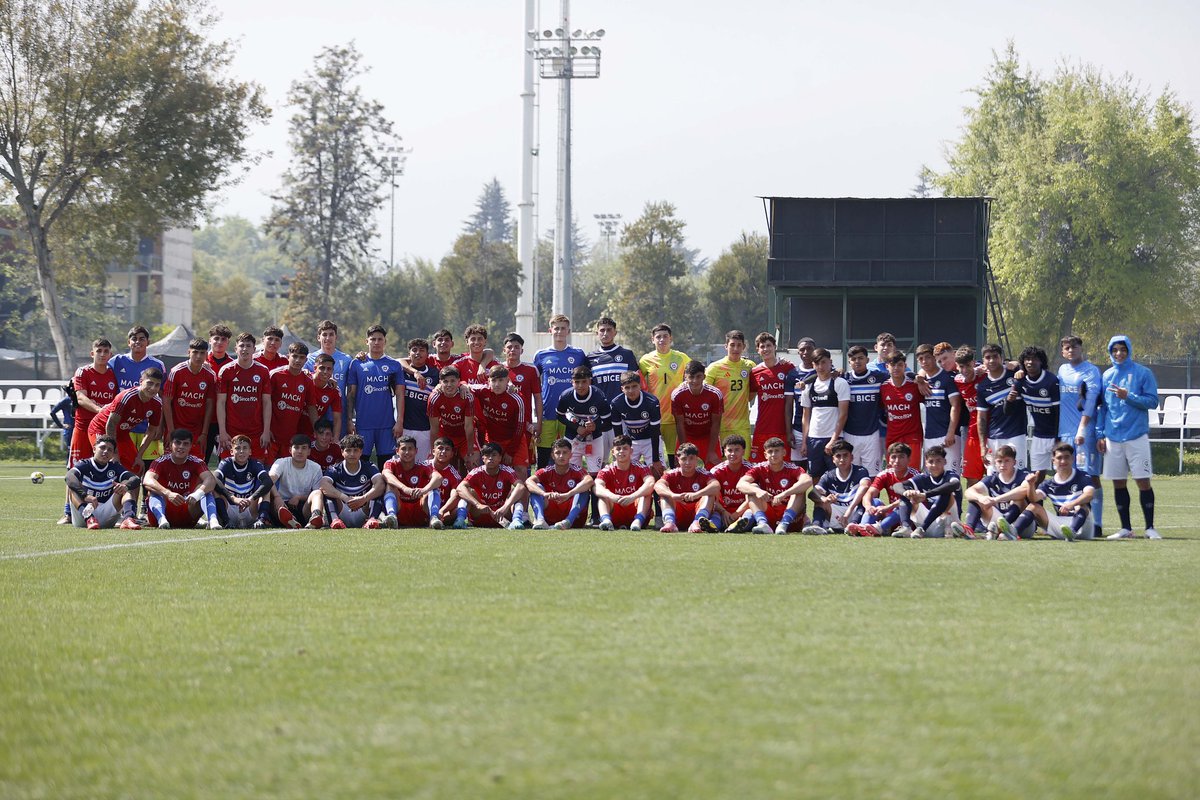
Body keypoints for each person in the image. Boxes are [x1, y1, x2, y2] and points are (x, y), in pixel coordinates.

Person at [1096, 335, 1160, 539]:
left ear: (1129, 350)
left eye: (1122, 349)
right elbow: (1103, 408)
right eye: (1114, 350)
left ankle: (1150, 527)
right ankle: (1126, 528)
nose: (1119, 353)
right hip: (1113, 437)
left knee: (1143, 481)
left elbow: (1152, 402)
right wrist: (1100, 434)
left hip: (1137, 435)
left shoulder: (1143, 372)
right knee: (1118, 482)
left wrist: (1128, 396)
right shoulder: (1106, 375)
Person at [1057, 335, 1105, 535]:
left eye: (1074, 347)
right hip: (1065, 433)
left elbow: (1092, 401)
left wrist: (1082, 428)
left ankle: (1097, 524)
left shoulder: (1091, 371)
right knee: (1069, 476)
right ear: (1062, 351)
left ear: (1081, 348)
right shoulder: (1061, 370)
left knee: (1090, 477)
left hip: (1085, 434)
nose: (1071, 350)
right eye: (1067, 348)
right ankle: (1074, 521)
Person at [1008, 443, 1096, 541]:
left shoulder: (1082, 476)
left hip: (1083, 527)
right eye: (1059, 458)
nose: (1063, 461)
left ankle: (1072, 531)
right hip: (1062, 527)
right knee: (1033, 507)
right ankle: (1012, 532)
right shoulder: (1049, 483)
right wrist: (1031, 485)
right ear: (1053, 461)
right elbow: (1034, 498)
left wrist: (1071, 504)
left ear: (1072, 459)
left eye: (1066, 457)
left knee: (1081, 505)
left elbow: (1089, 494)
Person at [109, 325, 166, 476]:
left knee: (148, 468)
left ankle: (146, 500)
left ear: (148, 342)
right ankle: (123, 499)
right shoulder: (116, 361)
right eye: (134, 339)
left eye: (142, 339)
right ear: (128, 342)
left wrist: (160, 426)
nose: (138, 342)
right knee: (124, 469)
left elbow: (162, 396)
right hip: (122, 427)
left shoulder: (157, 365)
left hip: (146, 426)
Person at [345, 324, 405, 467]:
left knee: (387, 465)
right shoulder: (357, 364)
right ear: (367, 341)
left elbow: (400, 395)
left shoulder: (394, 365)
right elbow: (351, 395)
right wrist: (349, 420)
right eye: (373, 339)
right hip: (363, 425)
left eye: (380, 339)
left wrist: (399, 422)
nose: (376, 342)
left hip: (386, 425)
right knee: (360, 464)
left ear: (385, 341)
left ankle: (387, 490)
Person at [86, 368, 164, 477]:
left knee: (136, 467)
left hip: (122, 433)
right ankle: (93, 490)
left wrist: (139, 455)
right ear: (141, 382)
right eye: (149, 383)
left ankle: (130, 494)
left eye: (157, 385)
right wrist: (114, 453)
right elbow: (111, 424)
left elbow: (151, 431)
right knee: (106, 460)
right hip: (101, 428)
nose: (153, 388)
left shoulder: (157, 403)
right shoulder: (126, 396)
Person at [533, 314, 588, 468]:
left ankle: (570, 488)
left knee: (569, 456)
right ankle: (541, 491)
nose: (559, 331)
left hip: (572, 414)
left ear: (568, 331)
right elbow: (534, 384)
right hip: (548, 412)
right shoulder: (541, 355)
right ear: (550, 330)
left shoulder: (578, 354)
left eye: (563, 328)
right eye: (556, 328)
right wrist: (535, 413)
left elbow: (587, 380)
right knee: (544, 457)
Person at [142, 429, 219, 530]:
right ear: (170, 445)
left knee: (206, 492)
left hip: (187, 510)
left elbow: (211, 480)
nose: (181, 447)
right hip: (165, 509)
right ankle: (161, 519)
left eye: (185, 444)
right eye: (177, 443)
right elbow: (147, 480)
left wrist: (197, 494)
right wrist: (167, 493)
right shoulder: (160, 462)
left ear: (191, 446)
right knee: (153, 491)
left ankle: (213, 521)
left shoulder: (197, 462)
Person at [638, 323, 691, 466]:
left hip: (675, 416)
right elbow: (639, 385)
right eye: (658, 337)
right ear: (652, 340)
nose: (662, 339)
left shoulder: (682, 358)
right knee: (653, 456)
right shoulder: (645, 360)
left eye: (665, 336)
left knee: (675, 456)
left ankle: (675, 484)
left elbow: (693, 378)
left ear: (671, 338)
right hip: (653, 415)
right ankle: (654, 486)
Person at [736, 436, 811, 534]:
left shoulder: (792, 468)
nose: (773, 454)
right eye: (770, 451)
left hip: (791, 516)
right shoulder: (759, 468)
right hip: (770, 512)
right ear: (765, 455)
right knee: (752, 488)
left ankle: (784, 524)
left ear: (784, 453)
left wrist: (784, 494)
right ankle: (763, 524)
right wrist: (758, 491)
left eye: (777, 451)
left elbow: (808, 481)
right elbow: (740, 484)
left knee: (799, 490)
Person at [64, 435, 141, 529]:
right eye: (102, 447)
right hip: (85, 513)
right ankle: (89, 518)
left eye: (110, 450)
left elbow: (135, 478)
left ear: (113, 454)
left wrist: (125, 486)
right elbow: (69, 476)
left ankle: (128, 519)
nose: (105, 451)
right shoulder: (84, 464)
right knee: (73, 488)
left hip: (106, 516)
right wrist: (85, 495)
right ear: (94, 449)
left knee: (126, 489)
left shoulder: (114, 467)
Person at [217, 332, 272, 460]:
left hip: (256, 432)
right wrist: (222, 431)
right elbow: (220, 403)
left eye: (248, 346)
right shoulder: (226, 371)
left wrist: (266, 431)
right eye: (241, 345)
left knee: (256, 469)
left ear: (254, 349)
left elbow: (267, 402)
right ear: (236, 349)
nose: (245, 349)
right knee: (228, 470)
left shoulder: (263, 371)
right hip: (231, 432)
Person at [846, 442, 921, 537]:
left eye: (901, 457)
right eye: (893, 457)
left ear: (909, 459)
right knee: (875, 501)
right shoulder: (885, 474)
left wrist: (887, 507)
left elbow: (913, 500)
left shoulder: (916, 476)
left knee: (904, 504)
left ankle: (879, 528)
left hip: (911, 519)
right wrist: (869, 507)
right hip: (891, 516)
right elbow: (869, 494)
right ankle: (863, 527)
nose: (897, 461)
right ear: (889, 459)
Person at [1008, 345, 1060, 480]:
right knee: (1037, 476)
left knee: (1062, 474)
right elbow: (1008, 411)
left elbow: (1058, 413)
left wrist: (1058, 439)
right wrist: (1009, 400)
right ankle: (1035, 502)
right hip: (1038, 436)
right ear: (1023, 362)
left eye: (1034, 359)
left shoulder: (1051, 381)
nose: (1030, 362)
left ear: (1041, 361)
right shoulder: (1020, 381)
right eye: (1027, 359)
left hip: (1056, 436)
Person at [962, 444, 1034, 540]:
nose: (1003, 465)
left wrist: (996, 499)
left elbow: (1024, 490)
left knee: (1019, 500)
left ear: (1014, 462)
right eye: (999, 461)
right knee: (975, 499)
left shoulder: (1022, 475)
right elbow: (968, 492)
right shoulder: (992, 479)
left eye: (1007, 461)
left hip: (1022, 525)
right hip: (998, 521)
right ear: (995, 463)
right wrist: (981, 498)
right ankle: (969, 530)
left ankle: (1003, 530)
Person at [799, 347, 850, 480]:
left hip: (834, 438)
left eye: (823, 362)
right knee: (815, 477)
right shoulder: (808, 387)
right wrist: (805, 441)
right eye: (817, 363)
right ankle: (819, 502)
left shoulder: (839, 383)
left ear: (830, 362)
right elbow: (806, 416)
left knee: (837, 477)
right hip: (814, 439)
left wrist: (833, 440)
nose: (820, 366)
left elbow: (843, 414)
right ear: (813, 364)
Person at [162, 338, 217, 460]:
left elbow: (209, 405)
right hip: (175, 428)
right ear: (189, 352)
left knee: (195, 466)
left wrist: (204, 433)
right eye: (195, 352)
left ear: (206, 355)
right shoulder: (177, 372)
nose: (198, 356)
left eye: (202, 353)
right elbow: (166, 401)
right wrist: (170, 430)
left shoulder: (210, 375)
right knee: (170, 463)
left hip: (197, 432)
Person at [749, 332, 799, 463]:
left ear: (775, 347)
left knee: (783, 466)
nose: (766, 349)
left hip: (783, 428)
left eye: (769, 345)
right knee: (759, 466)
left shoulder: (788, 367)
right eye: (762, 346)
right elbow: (749, 396)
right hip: (762, 428)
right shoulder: (755, 372)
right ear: (758, 350)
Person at [556, 365, 612, 481]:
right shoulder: (566, 396)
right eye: (577, 382)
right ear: (572, 382)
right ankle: (574, 498)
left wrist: (596, 427)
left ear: (590, 381)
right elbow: (559, 416)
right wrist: (576, 428)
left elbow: (608, 423)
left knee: (595, 475)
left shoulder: (599, 396)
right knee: (572, 474)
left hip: (594, 438)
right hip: (572, 438)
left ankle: (594, 498)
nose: (580, 386)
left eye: (584, 382)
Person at [453, 442, 528, 529]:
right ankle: (460, 520)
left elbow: (520, 486)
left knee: (519, 490)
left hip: (501, 514)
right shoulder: (476, 472)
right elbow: (460, 487)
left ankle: (516, 520)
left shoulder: (507, 471)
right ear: (483, 458)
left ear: (500, 458)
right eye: (487, 455)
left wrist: (505, 507)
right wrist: (478, 505)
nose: (490, 458)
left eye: (494, 455)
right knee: (467, 491)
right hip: (480, 513)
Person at [803, 439, 870, 535]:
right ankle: (816, 526)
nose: (842, 459)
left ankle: (854, 525)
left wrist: (848, 512)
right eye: (838, 456)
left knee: (865, 499)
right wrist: (824, 499)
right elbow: (813, 493)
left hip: (855, 511)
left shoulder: (860, 471)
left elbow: (865, 487)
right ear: (833, 460)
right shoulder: (829, 475)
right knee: (820, 501)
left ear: (851, 457)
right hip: (836, 513)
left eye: (845, 455)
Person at [976, 343, 1025, 473]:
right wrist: (982, 446)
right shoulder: (982, 386)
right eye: (987, 357)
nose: (991, 360)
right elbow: (981, 418)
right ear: (983, 360)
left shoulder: (1014, 373)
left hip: (1017, 434)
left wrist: (1019, 367)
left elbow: (1030, 366)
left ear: (1001, 358)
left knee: (1018, 474)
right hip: (994, 436)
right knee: (994, 474)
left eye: (995, 356)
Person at [473, 365, 529, 479]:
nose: (497, 384)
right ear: (488, 380)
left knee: (520, 470)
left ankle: (524, 497)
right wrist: (461, 386)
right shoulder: (483, 390)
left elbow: (520, 427)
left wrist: (511, 451)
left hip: (514, 440)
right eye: (493, 380)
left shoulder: (517, 398)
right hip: (493, 439)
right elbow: (464, 385)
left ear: (507, 381)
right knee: (492, 470)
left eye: (501, 380)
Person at [320, 434, 387, 529]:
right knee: (327, 493)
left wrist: (363, 498)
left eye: (355, 450)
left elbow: (380, 485)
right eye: (348, 450)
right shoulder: (334, 469)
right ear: (342, 452)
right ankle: (335, 520)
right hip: (342, 510)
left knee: (378, 491)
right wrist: (345, 498)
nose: (352, 454)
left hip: (363, 510)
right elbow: (324, 485)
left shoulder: (369, 467)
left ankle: (372, 519)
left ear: (361, 452)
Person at [895, 445, 963, 538]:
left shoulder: (950, 475)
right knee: (905, 495)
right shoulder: (923, 477)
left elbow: (954, 484)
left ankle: (922, 528)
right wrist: (906, 492)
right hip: (930, 524)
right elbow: (897, 486)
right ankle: (906, 527)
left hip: (950, 523)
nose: (934, 465)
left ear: (945, 461)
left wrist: (926, 495)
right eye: (931, 462)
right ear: (926, 463)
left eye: (938, 461)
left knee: (946, 493)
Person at [525, 437, 594, 529]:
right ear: (553, 456)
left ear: (571, 455)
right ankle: (540, 520)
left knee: (584, 490)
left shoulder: (577, 470)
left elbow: (589, 481)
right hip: (550, 517)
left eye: (565, 452)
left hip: (574, 521)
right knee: (536, 487)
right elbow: (528, 481)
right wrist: (544, 494)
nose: (561, 456)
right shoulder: (546, 471)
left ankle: (568, 521)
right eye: (558, 453)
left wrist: (569, 494)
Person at [705, 330, 758, 449]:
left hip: (742, 426)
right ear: (726, 346)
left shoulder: (750, 366)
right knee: (724, 464)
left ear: (744, 347)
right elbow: (704, 393)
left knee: (744, 463)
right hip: (721, 426)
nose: (735, 348)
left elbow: (752, 393)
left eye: (739, 345)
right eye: (732, 345)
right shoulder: (715, 368)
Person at [915, 343, 963, 473]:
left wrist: (951, 432)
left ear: (934, 358)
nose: (924, 361)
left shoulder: (948, 378)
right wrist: (919, 379)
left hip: (948, 435)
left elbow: (956, 405)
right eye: (920, 359)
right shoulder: (922, 381)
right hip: (930, 435)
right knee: (931, 475)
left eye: (927, 357)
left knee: (951, 475)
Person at [267, 343, 319, 462]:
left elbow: (311, 407)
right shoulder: (275, 375)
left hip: (291, 438)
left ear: (306, 359)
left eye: (301, 357)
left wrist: (317, 429)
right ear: (288, 356)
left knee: (285, 474)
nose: (297, 360)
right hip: (271, 435)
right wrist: (265, 429)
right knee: (267, 471)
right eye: (294, 356)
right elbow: (264, 403)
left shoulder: (307, 381)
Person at [380, 435, 444, 529]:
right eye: (403, 449)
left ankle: (434, 518)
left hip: (420, 508)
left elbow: (438, 477)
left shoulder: (423, 466)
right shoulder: (391, 463)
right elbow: (386, 474)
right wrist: (405, 489)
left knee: (433, 488)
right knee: (390, 486)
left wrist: (424, 490)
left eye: (410, 449)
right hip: (400, 507)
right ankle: (392, 516)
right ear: (397, 451)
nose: (407, 452)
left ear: (416, 451)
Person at [594, 434, 656, 530]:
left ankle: (637, 521)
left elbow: (651, 483)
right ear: (613, 452)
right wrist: (612, 496)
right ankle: (606, 521)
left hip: (636, 510)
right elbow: (596, 487)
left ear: (631, 451)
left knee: (646, 493)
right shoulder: (607, 470)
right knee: (603, 495)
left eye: (625, 448)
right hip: (615, 510)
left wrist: (633, 496)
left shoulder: (640, 467)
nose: (621, 451)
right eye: (618, 449)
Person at [654, 443, 721, 532]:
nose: (687, 463)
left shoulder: (704, 473)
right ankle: (670, 523)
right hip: (678, 513)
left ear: (697, 459)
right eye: (684, 459)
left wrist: (697, 494)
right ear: (678, 460)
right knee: (665, 495)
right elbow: (658, 485)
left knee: (709, 495)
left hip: (698, 512)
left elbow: (716, 486)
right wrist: (673, 495)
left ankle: (696, 523)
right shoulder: (671, 473)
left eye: (691, 459)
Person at [498, 332, 542, 468]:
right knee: (500, 462)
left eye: (516, 347)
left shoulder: (530, 370)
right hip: (501, 425)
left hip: (524, 425)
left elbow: (538, 398)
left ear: (522, 350)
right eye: (509, 347)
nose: (513, 350)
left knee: (523, 465)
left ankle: (525, 489)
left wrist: (539, 423)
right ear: (504, 350)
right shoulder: (497, 369)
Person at [213, 434, 274, 529]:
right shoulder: (226, 463)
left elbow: (268, 482)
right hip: (230, 507)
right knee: (214, 490)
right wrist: (232, 498)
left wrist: (251, 498)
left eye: (245, 448)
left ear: (250, 452)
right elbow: (215, 479)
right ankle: (226, 522)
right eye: (237, 448)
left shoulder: (255, 464)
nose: (241, 451)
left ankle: (262, 520)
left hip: (249, 507)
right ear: (232, 451)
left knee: (266, 490)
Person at [670, 360, 724, 466]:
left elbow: (716, 424)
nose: (694, 381)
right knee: (682, 469)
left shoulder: (715, 394)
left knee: (714, 470)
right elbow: (679, 424)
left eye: (698, 377)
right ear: (685, 376)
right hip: (687, 436)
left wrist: (712, 451)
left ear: (704, 376)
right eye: (691, 377)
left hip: (708, 437)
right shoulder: (677, 394)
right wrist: (683, 448)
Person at [304, 320, 353, 433]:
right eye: (324, 334)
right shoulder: (310, 358)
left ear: (336, 337)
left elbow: (351, 390)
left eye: (331, 334)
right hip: (316, 411)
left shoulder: (346, 359)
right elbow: (302, 377)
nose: (328, 338)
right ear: (318, 337)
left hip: (338, 413)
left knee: (337, 446)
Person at [842, 345, 885, 474]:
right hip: (849, 434)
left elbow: (900, 373)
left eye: (861, 358)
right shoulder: (844, 379)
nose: (857, 361)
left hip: (872, 434)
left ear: (867, 359)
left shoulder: (879, 377)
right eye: (853, 359)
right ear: (849, 362)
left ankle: (870, 496)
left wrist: (918, 377)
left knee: (871, 474)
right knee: (851, 473)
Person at [608, 370, 663, 471]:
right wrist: (620, 453)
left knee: (657, 470)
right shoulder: (616, 403)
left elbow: (655, 431)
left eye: (634, 386)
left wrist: (656, 459)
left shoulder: (652, 401)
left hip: (650, 439)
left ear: (640, 385)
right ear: (622, 389)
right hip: (630, 441)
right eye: (627, 387)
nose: (631, 390)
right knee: (624, 469)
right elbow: (618, 433)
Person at [268, 434, 326, 529]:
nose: (300, 451)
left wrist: (298, 497)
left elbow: (317, 494)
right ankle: (288, 520)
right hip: (283, 504)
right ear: (290, 450)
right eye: (296, 448)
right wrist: (277, 496)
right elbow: (269, 479)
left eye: (304, 448)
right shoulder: (281, 462)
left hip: (303, 505)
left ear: (309, 451)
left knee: (318, 493)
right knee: (269, 494)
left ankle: (316, 517)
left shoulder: (316, 467)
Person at [399, 337, 441, 461]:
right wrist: (415, 372)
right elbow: (397, 360)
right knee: (403, 463)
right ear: (409, 354)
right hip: (404, 427)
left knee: (423, 464)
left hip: (425, 429)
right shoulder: (400, 371)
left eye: (422, 350)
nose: (418, 353)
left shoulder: (435, 374)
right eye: (414, 350)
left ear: (427, 354)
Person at [428, 366, 478, 466]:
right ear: (440, 382)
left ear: (459, 381)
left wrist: (470, 451)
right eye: (445, 381)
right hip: (446, 436)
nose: (449, 385)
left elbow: (468, 427)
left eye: (452, 381)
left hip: (464, 437)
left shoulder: (467, 397)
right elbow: (434, 428)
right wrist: (433, 451)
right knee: (440, 464)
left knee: (473, 463)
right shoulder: (434, 397)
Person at [880, 351, 924, 458]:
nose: (896, 368)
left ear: (905, 366)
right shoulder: (883, 387)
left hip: (912, 436)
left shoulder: (914, 385)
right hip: (893, 437)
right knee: (894, 472)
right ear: (887, 366)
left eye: (899, 365)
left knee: (913, 473)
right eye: (892, 365)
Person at [709, 434, 755, 532]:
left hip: (743, 510)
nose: (733, 453)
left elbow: (753, 497)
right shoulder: (716, 471)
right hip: (722, 511)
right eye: (729, 450)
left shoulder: (751, 470)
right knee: (714, 513)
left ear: (743, 451)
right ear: (724, 451)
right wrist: (723, 511)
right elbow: (712, 498)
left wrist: (736, 514)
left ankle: (739, 526)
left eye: (737, 450)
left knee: (751, 512)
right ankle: (712, 526)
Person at [954, 345, 986, 484]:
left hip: (992, 429)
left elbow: (1010, 365)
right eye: (961, 366)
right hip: (973, 430)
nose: (965, 370)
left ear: (974, 362)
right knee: (971, 475)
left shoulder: (985, 374)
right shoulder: (957, 381)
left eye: (968, 365)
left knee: (996, 473)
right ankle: (975, 505)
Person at [204, 324, 235, 461]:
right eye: (216, 338)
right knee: (200, 460)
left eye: (223, 339)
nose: (219, 342)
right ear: (210, 340)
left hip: (226, 422)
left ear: (228, 342)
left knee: (226, 460)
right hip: (204, 420)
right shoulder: (200, 361)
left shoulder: (233, 365)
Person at [788, 337, 819, 459]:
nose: (806, 352)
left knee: (817, 471)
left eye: (809, 349)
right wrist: (789, 431)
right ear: (798, 352)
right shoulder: (793, 374)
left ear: (815, 350)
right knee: (798, 469)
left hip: (820, 430)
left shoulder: (826, 371)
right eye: (802, 349)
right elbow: (788, 407)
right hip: (798, 430)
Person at [303, 353, 343, 438]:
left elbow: (337, 418)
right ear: (315, 368)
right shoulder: (305, 379)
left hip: (314, 433)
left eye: (329, 369)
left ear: (332, 371)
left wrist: (335, 439)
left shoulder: (334, 390)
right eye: (322, 368)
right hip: (295, 429)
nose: (325, 372)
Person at [426, 436, 465, 525]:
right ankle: (432, 517)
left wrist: (442, 511)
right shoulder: (423, 467)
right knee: (431, 491)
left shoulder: (455, 475)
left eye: (447, 449)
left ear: (452, 454)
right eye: (440, 448)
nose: (443, 452)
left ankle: (439, 519)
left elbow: (455, 496)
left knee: (460, 504)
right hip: (423, 508)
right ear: (433, 451)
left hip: (442, 512)